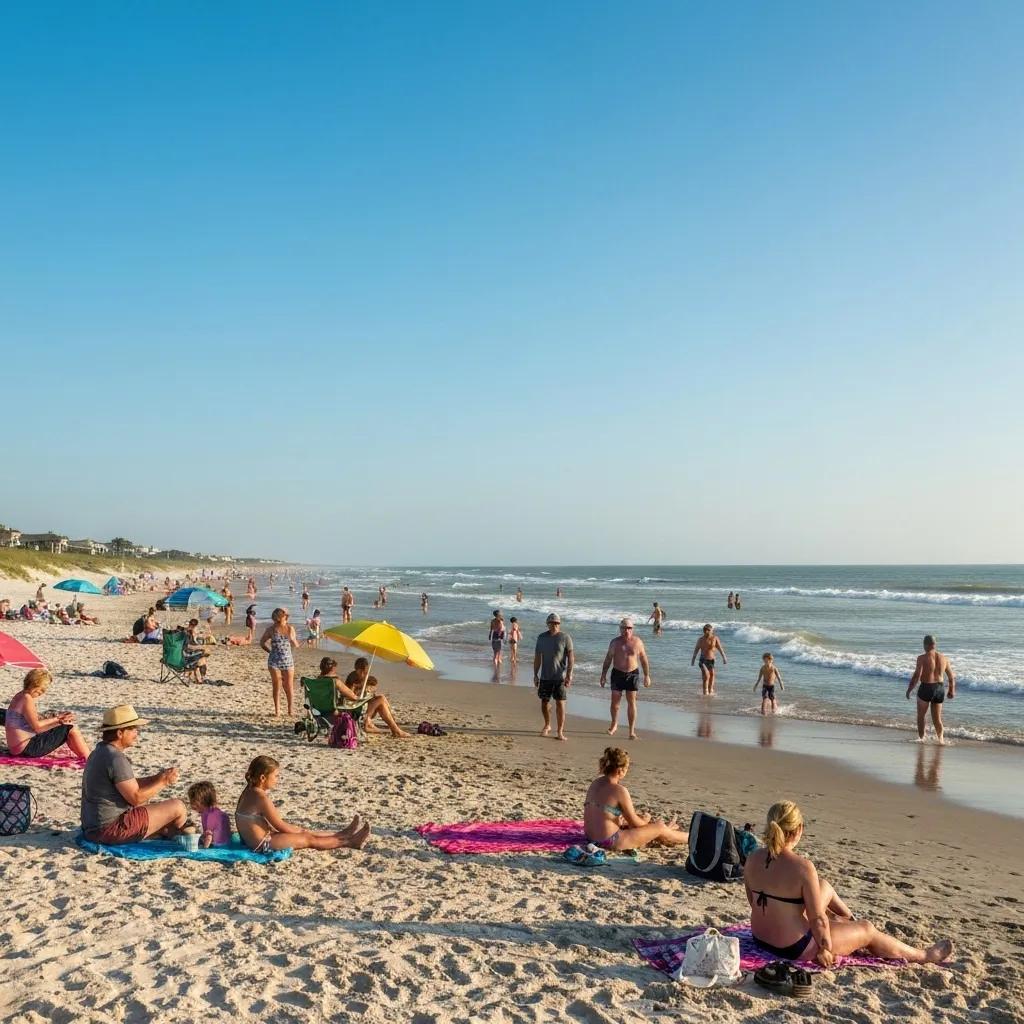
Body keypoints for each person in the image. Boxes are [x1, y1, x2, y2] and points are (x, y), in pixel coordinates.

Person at [744, 800, 953, 966]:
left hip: (760, 937)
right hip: (793, 946)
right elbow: (818, 920)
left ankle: (848, 920)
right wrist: (825, 948)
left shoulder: (753, 857)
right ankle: (924, 955)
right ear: (799, 830)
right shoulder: (802, 867)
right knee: (868, 929)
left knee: (823, 886)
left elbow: (754, 902)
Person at [81, 705, 190, 844]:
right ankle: (181, 838)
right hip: (110, 830)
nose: (136, 733)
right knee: (178, 806)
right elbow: (135, 798)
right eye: (133, 729)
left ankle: (171, 832)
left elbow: (127, 784)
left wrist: (157, 777)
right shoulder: (115, 759)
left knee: (149, 805)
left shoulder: (99, 752)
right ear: (120, 733)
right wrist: (164, 782)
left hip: (92, 829)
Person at [235, 754, 371, 852]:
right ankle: (349, 841)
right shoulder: (261, 798)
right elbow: (281, 826)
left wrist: (298, 830)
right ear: (263, 778)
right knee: (307, 838)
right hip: (262, 844)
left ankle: (343, 833)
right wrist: (299, 831)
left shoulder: (249, 790)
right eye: (276, 776)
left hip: (257, 839)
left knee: (304, 832)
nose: (278, 779)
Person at [583, 747, 690, 851]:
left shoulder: (595, 784)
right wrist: (649, 824)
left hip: (591, 837)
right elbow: (634, 823)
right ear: (620, 770)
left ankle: (668, 831)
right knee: (660, 827)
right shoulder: (619, 790)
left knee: (640, 824)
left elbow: (601, 812)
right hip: (610, 841)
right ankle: (689, 837)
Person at [5, 668, 90, 759]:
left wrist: (57, 719)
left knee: (62, 724)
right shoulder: (27, 699)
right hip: (26, 749)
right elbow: (37, 728)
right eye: (41, 690)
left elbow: (30, 721)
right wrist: (58, 720)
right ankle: (88, 757)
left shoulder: (19, 695)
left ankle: (83, 753)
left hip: (15, 748)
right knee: (70, 728)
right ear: (36, 686)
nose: (41, 693)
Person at [322, 657, 412, 738]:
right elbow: (352, 697)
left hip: (332, 710)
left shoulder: (317, 682)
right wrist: (362, 693)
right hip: (350, 709)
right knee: (381, 700)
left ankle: (391, 727)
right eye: (335, 669)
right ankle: (393, 729)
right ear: (332, 669)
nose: (336, 671)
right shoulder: (336, 681)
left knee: (381, 699)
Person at [600, 618, 652, 740]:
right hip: (617, 673)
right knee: (615, 703)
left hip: (632, 674)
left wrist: (647, 676)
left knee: (631, 702)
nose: (626, 630)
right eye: (624, 628)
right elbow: (608, 659)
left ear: (632, 629)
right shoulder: (615, 642)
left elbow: (644, 660)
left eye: (629, 628)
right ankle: (614, 724)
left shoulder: (637, 642)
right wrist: (603, 675)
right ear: (620, 629)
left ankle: (631, 731)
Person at [907, 635, 956, 743]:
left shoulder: (922, 658)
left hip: (926, 687)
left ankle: (921, 738)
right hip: (939, 689)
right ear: (935, 644)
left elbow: (916, 676)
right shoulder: (944, 658)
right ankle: (941, 740)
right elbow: (951, 677)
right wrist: (952, 690)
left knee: (921, 716)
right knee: (937, 719)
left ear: (926, 645)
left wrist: (909, 690)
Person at [534, 613, 574, 741]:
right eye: (552, 623)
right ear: (547, 624)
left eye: (556, 623)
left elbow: (571, 657)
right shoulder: (541, 638)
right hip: (545, 676)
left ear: (559, 624)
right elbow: (537, 657)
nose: (554, 625)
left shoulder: (565, 637)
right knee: (544, 702)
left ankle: (560, 731)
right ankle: (547, 725)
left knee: (560, 703)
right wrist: (535, 675)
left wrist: (569, 674)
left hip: (560, 677)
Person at [260, 608, 298, 717]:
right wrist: (270, 652)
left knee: (289, 686)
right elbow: (262, 643)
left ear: (285, 617)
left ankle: (290, 710)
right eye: (276, 618)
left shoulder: (290, 629)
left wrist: (292, 639)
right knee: (277, 685)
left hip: (288, 661)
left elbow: (296, 645)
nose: (277, 619)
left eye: (279, 617)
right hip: (274, 661)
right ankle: (277, 710)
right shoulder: (271, 629)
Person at [188, 781, 233, 848]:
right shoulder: (218, 812)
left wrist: (204, 849)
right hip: (227, 843)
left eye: (193, 802)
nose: (191, 805)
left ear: (202, 801)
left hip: (217, 846)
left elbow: (209, 837)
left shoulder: (208, 816)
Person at [691, 624, 727, 696]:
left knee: (712, 675)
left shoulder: (715, 638)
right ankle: (705, 692)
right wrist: (693, 660)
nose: (710, 631)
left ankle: (710, 690)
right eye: (709, 630)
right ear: (706, 631)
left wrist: (724, 657)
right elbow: (696, 650)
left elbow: (720, 648)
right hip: (703, 660)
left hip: (711, 660)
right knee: (706, 676)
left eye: (711, 630)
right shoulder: (701, 640)